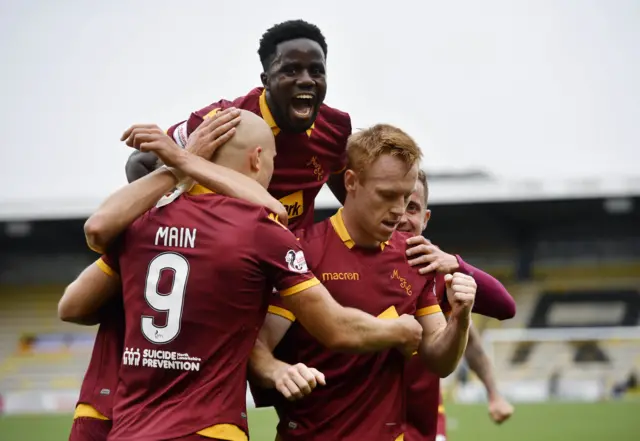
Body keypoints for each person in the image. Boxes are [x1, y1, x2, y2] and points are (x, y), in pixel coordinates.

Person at [59, 111, 423, 441]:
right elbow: (335, 327)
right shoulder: (259, 228)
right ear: (258, 159)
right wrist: (401, 329)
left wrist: (179, 165)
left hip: (127, 428)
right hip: (209, 429)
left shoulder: (142, 222)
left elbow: (72, 307)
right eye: (274, 163)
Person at [249, 124, 478, 441]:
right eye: (386, 195)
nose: (398, 210)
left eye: (405, 196)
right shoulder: (302, 252)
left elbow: (439, 360)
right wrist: (279, 371)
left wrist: (461, 317)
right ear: (352, 182)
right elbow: (256, 348)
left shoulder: (413, 259)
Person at [125, 19, 350, 232]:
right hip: (226, 263)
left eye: (316, 71)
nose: (306, 80)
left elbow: (352, 200)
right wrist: (167, 235)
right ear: (266, 80)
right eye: (290, 70)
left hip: (290, 262)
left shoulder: (335, 127)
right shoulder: (224, 121)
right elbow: (140, 162)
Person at [398, 170, 516, 441]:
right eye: (397, 203)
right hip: (368, 421)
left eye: (412, 207)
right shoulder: (358, 263)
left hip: (423, 425)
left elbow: (503, 309)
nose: (402, 217)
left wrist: (494, 394)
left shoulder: (439, 271)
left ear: (425, 219)